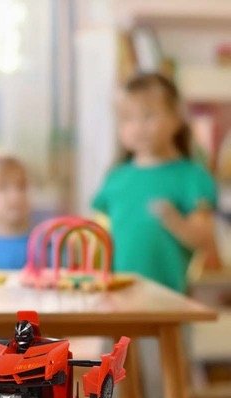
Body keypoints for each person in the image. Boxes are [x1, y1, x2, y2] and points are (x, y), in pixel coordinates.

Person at [92, 72, 219, 293]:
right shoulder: (115, 178)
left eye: (148, 116)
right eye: (127, 119)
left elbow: (204, 238)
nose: (138, 127)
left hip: (169, 298)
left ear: (176, 117)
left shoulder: (192, 176)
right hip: (116, 295)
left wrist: (175, 221)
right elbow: (97, 236)